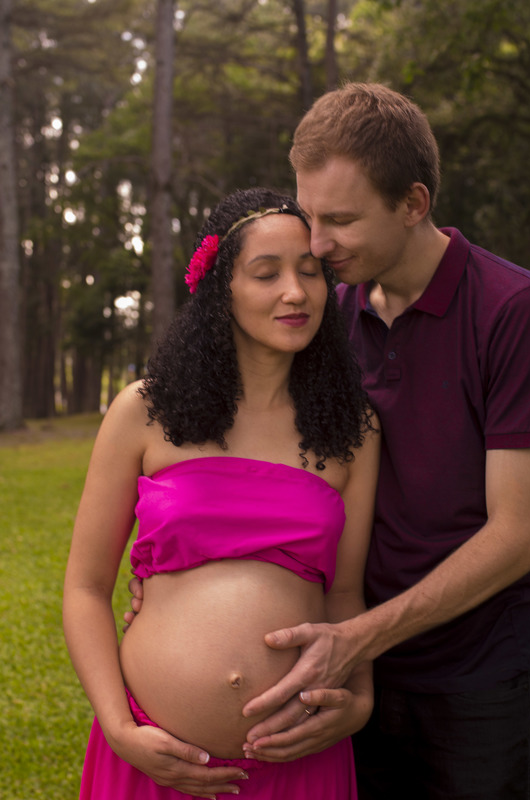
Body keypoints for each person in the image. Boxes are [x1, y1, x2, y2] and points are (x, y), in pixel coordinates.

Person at [235, 83, 530, 799]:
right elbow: (270, 462)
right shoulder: (327, 313)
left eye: (342, 221)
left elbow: (517, 534)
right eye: (310, 217)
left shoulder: (513, 308)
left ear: (413, 204)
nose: (317, 247)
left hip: (472, 672)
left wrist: (358, 639)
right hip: (346, 663)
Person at [62, 187, 380, 799]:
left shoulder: (352, 431)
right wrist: (120, 725)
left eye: (310, 273)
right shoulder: (144, 411)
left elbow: (344, 592)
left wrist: (359, 699)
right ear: (221, 289)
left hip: (301, 751)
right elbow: (85, 587)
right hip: (155, 756)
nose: (295, 292)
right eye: (267, 273)